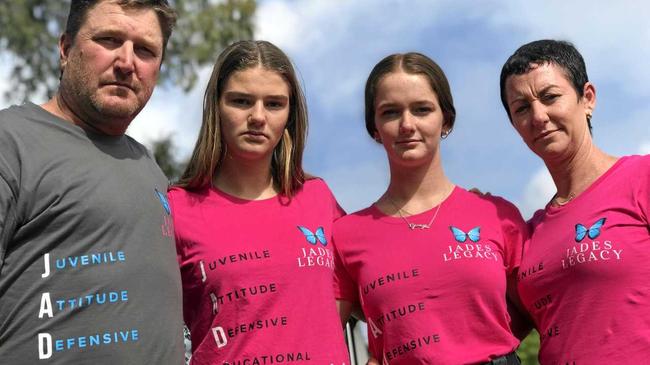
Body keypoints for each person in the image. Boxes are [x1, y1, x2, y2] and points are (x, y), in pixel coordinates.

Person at [0, 0, 184, 363]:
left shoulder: (152, 170)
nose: (127, 62)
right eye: (109, 40)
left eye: (145, 50)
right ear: (66, 49)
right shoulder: (11, 141)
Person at [334, 52, 527, 365]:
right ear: (374, 127)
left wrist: (482, 350)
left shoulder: (495, 214)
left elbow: (547, 310)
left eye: (422, 109)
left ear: (446, 120)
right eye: (391, 112)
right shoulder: (345, 236)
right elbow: (322, 337)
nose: (407, 124)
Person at [169, 40, 350, 365]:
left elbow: (382, 278)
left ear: (290, 114)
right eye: (241, 101)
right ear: (217, 106)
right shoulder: (176, 209)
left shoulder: (318, 198)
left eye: (274, 104)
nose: (257, 117)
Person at [500, 39, 650, 363]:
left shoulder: (642, 178)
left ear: (587, 98)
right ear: (515, 126)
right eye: (522, 108)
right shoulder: (527, 236)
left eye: (550, 97)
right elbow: (479, 330)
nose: (538, 116)